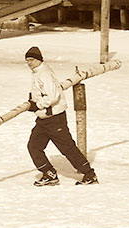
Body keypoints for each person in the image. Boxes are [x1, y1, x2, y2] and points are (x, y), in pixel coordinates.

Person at [25, 46, 98, 186]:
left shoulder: (44, 74)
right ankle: (49, 173)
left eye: (31, 60)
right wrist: (33, 99)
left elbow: (53, 96)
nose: (29, 63)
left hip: (54, 118)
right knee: (34, 146)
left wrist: (38, 105)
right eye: (27, 60)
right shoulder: (37, 73)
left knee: (67, 148)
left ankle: (89, 174)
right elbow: (42, 92)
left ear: (39, 59)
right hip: (43, 119)